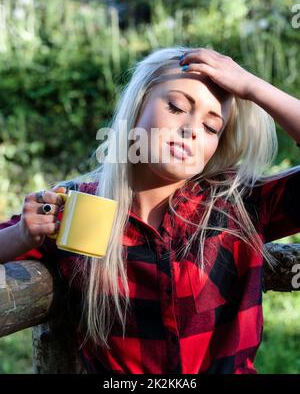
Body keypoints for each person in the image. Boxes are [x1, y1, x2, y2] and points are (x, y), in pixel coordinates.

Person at [0, 47, 300, 374]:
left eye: (212, 127)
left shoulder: (238, 203)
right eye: (176, 106)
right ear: (139, 103)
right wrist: (22, 233)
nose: (191, 129)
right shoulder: (74, 205)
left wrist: (253, 88)